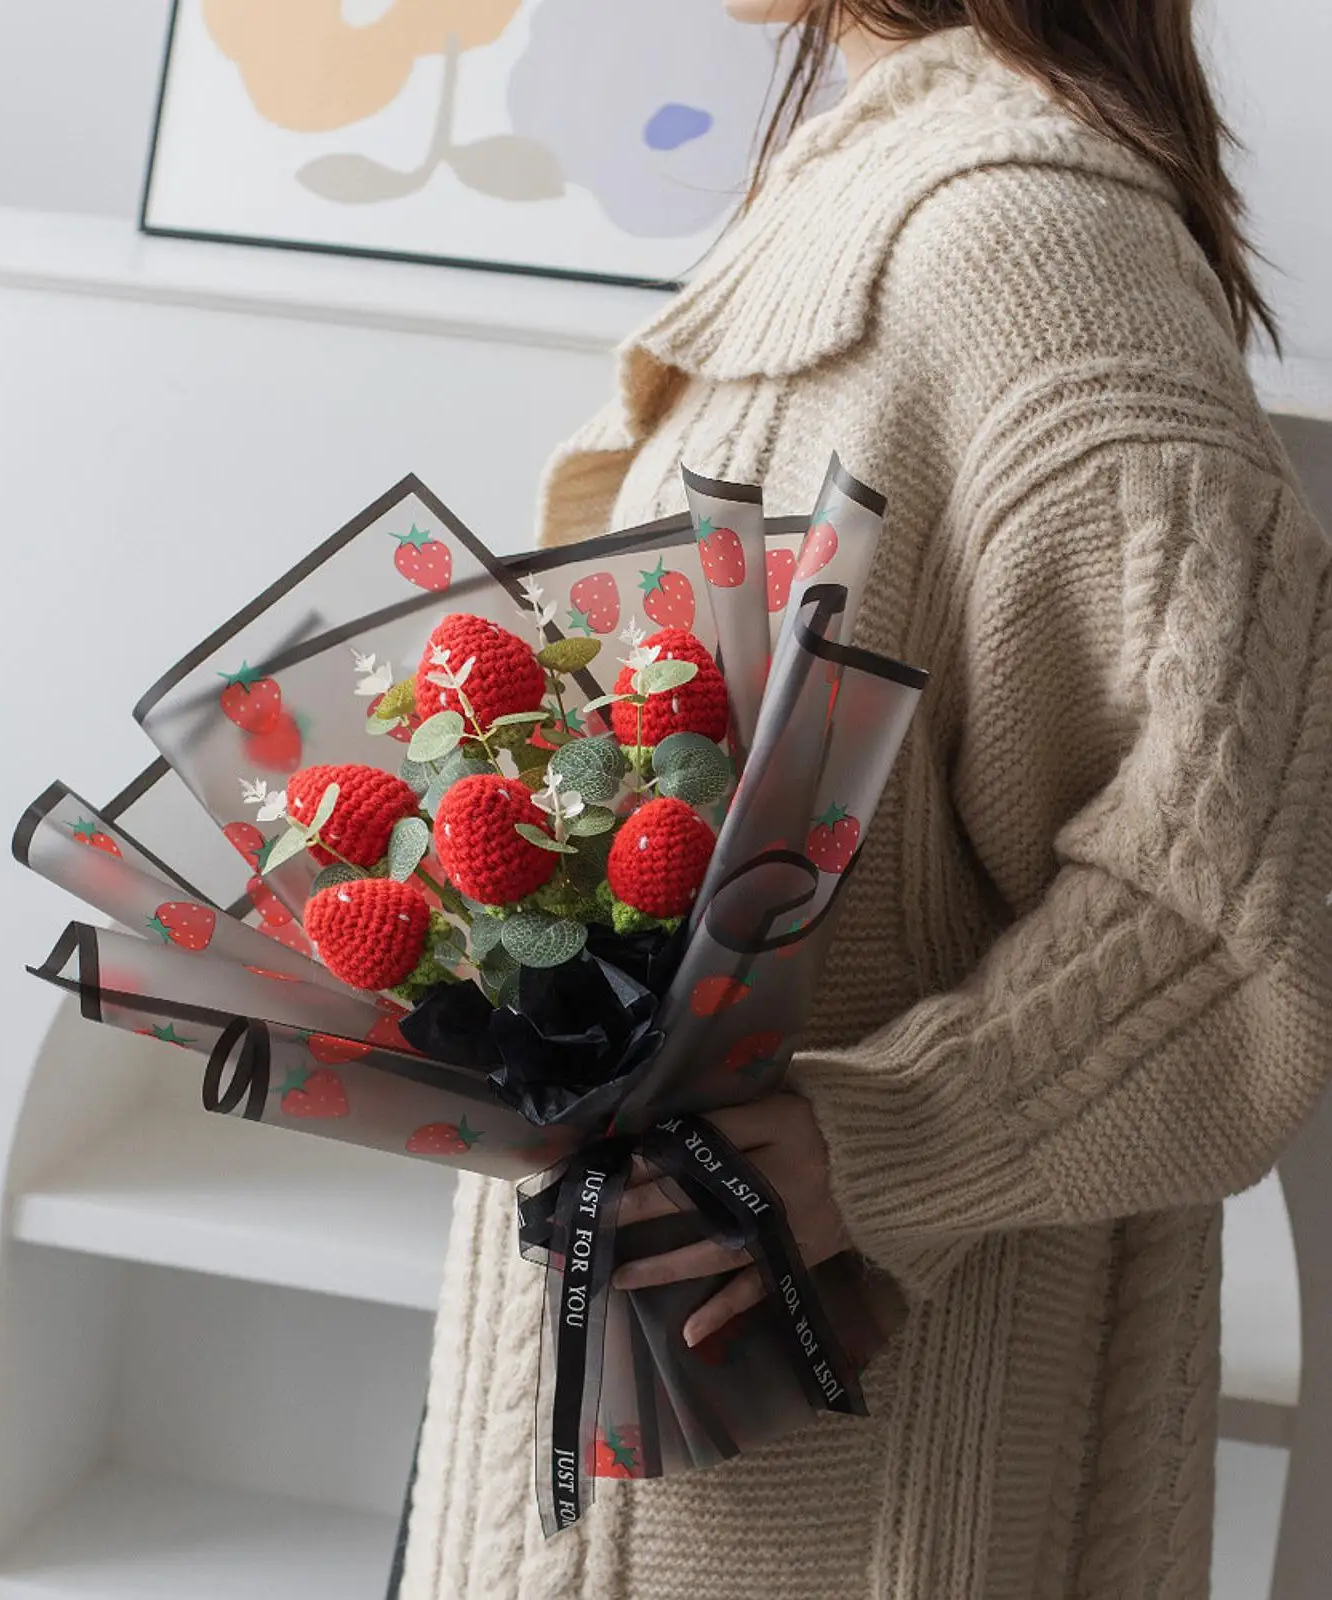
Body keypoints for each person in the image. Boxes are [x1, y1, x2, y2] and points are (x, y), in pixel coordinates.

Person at [398, 5, 1332, 1596]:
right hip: (639, 1425)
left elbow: (1233, 899)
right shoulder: (878, 189)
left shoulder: (1040, 252)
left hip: (836, 1486)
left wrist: (882, 1144)